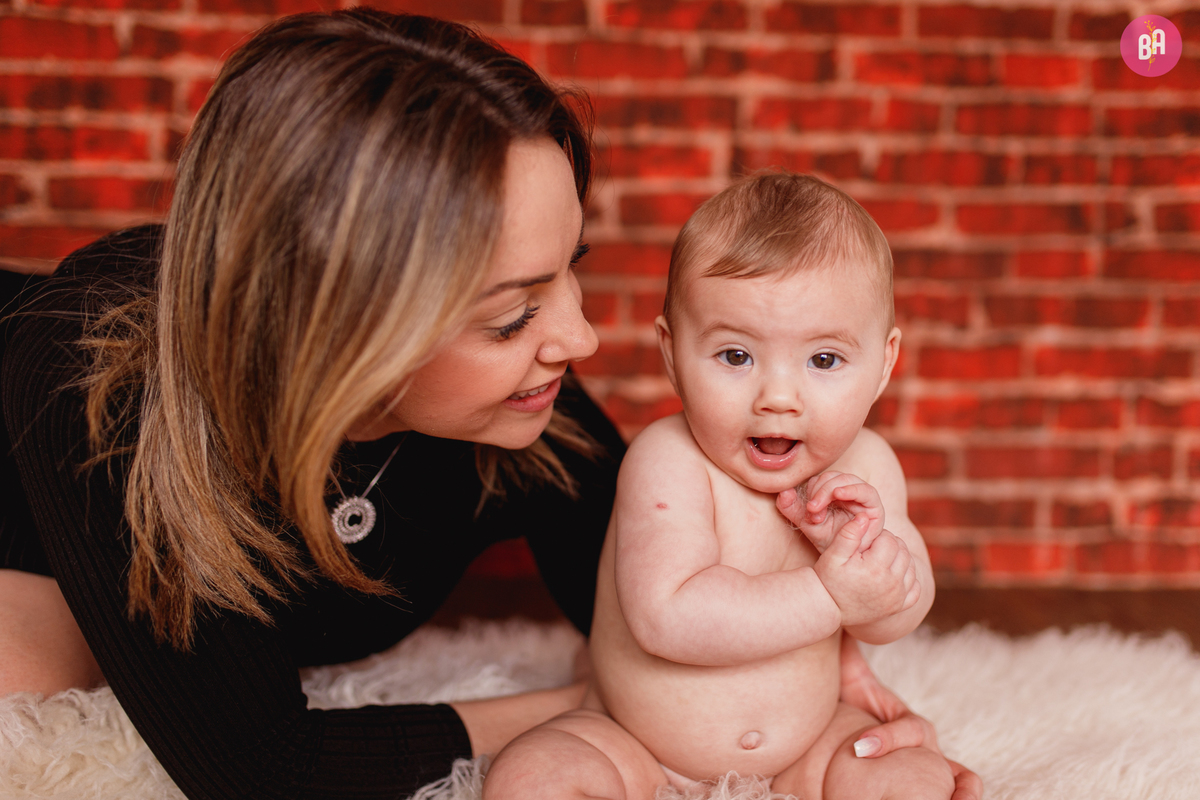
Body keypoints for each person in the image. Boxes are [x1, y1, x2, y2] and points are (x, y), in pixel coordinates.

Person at [0, 10, 976, 799]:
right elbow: (261, 767)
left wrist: (827, 684)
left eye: (567, 277)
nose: (581, 338)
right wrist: (560, 712)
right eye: (512, 314)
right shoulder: (101, 386)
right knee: (34, 688)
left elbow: (663, 591)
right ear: (348, 328)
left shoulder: (522, 398)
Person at [484, 172, 975, 800]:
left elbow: (898, 609)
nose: (777, 398)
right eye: (735, 356)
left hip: (809, 742)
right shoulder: (667, 460)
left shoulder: (869, 465)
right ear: (672, 352)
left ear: (883, 364)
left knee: (910, 775)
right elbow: (668, 617)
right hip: (637, 741)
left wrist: (866, 567)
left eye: (824, 360)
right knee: (532, 778)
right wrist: (829, 596)